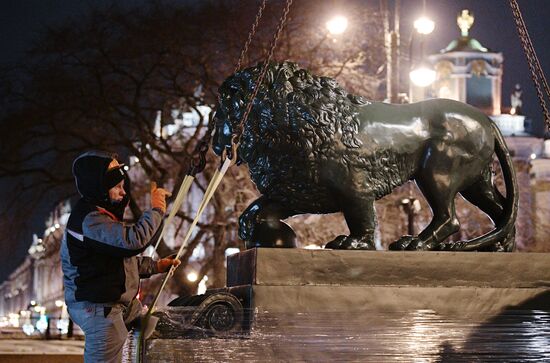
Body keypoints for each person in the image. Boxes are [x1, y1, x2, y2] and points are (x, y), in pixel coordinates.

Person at [60, 150, 180, 363]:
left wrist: (157, 266)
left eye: (123, 186)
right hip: (99, 309)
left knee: (154, 327)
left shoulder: (102, 218)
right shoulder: (90, 220)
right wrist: (156, 210)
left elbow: (118, 263)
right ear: (100, 188)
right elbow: (133, 241)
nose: (123, 193)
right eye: (117, 187)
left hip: (118, 306)